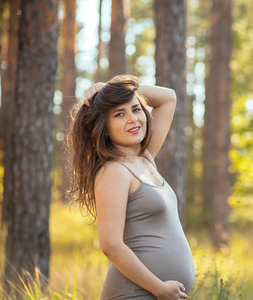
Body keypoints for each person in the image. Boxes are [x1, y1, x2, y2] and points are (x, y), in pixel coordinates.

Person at [68, 75, 195, 299]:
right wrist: (159, 288)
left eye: (136, 109)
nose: (132, 119)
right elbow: (110, 244)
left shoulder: (144, 159)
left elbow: (168, 98)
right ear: (104, 126)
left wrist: (109, 89)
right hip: (134, 294)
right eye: (119, 114)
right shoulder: (114, 171)